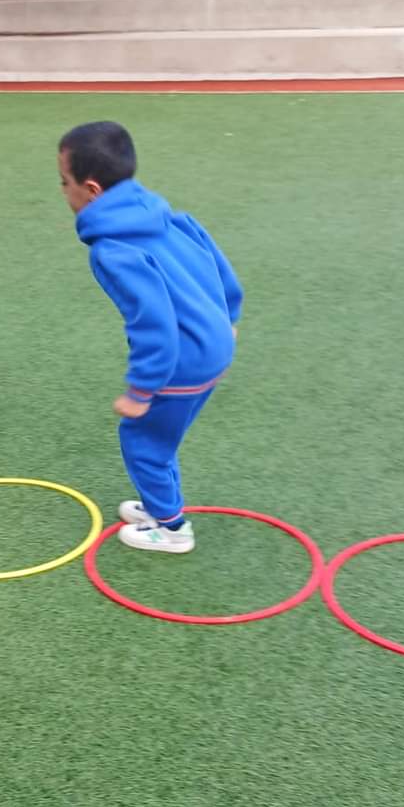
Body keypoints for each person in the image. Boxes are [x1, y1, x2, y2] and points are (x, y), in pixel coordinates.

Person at [59, 121, 242, 555]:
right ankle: (162, 503)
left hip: (184, 359)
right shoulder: (163, 214)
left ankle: (172, 528)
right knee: (162, 434)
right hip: (215, 341)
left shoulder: (113, 251)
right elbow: (215, 259)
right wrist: (229, 317)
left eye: (64, 182)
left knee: (142, 441)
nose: (63, 191)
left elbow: (152, 323)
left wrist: (141, 390)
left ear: (91, 190)